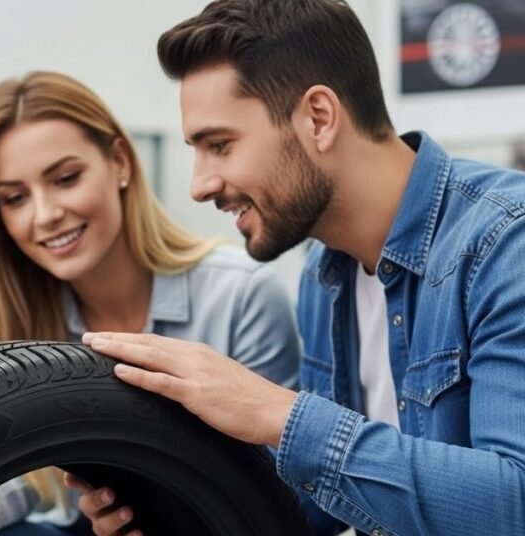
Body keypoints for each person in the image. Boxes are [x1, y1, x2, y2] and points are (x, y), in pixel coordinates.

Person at [72, 1, 525, 535]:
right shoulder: (323, 276)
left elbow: (514, 503)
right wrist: (170, 508)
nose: (199, 185)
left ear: (319, 118)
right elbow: (322, 513)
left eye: (220, 145)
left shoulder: (506, 241)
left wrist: (279, 415)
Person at [0, 71, 301, 536]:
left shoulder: (240, 294)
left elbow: (281, 494)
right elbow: (31, 484)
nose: (45, 215)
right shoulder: (22, 318)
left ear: (120, 162)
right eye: (15, 198)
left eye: (66, 179)